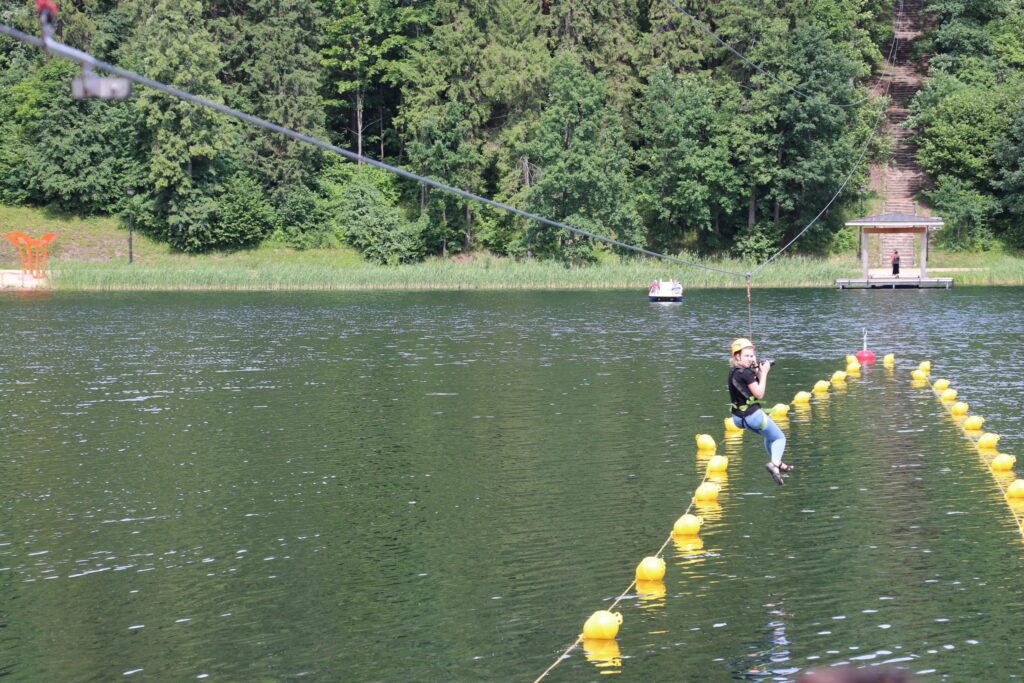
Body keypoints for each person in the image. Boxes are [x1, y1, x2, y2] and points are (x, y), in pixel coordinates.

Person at [728, 338, 790, 485]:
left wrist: (757, 371)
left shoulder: (734, 371)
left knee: (769, 437)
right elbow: (759, 394)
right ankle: (775, 464)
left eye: (751, 356)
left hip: (738, 418)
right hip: (753, 416)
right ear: (737, 356)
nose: (750, 359)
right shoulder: (746, 374)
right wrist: (765, 372)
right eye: (746, 356)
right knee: (780, 438)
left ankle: (778, 464)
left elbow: (747, 386)